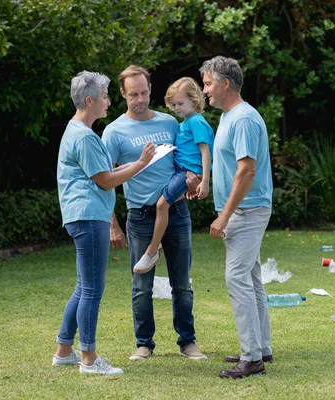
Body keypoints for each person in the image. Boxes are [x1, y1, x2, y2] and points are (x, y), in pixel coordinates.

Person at [102, 65, 207, 362]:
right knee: (141, 285)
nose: (140, 99)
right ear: (123, 94)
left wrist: (193, 178)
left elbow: (186, 161)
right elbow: (104, 179)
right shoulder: (113, 132)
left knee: (182, 283)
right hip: (140, 216)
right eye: (133, 94)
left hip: (177, 211)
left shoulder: (170, 123)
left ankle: (188, 342)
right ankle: (144, 343)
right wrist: (113, 225)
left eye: (145, 92)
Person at [53, 71, 156, 375]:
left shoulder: (78, 131)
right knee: (92, 290)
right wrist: (139, 164)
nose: (110, 102)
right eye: (105, 96)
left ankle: (64, 351)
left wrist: (140, 162)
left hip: (82, 216)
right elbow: (106, 180)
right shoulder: (83, 136)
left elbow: (104, 171)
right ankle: (88, 359)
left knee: (84, 286)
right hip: (89, 217)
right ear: (89, 100)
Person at [199, 56, 274, 379]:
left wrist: (224, 216)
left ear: (225, 83)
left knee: (237, 279)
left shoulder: (243, 118)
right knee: (252, 280)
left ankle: (252, 358)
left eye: (208, 83)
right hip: (243, 210)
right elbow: (230, 166)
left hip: (247, 211)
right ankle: (261, 348)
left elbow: (247, 170)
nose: (205, 90)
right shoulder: (231, 117)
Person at [133, 77, 214, 274]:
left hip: (188, 172)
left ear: (194, 101)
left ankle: (151, 251)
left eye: (180, 103)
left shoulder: (196, 122)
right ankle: (159, 242)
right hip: (180, 171)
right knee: (164, 200)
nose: (176, 108)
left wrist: (205, 181)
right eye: (174, 104)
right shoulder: (187, 122)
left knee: (162, 205)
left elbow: (205, 151)